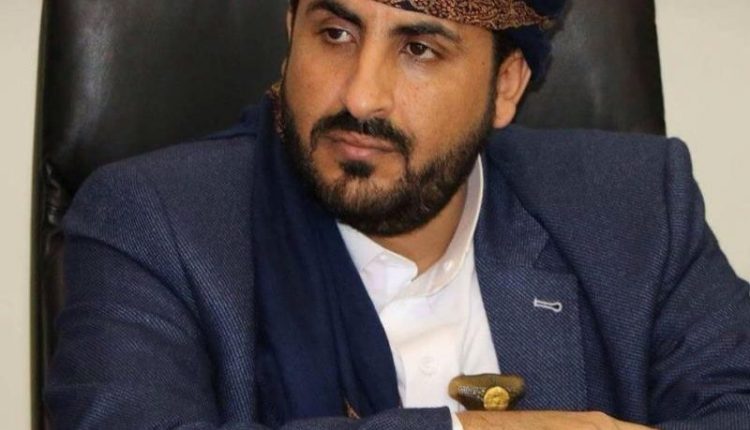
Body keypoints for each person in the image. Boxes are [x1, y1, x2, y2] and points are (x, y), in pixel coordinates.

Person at [45, 0, 750, 429]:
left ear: (506, 85)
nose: (360, 96)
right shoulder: (153, 223)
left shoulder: (635, 205)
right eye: (335, 34)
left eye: (418, 48)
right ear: (291, 32)